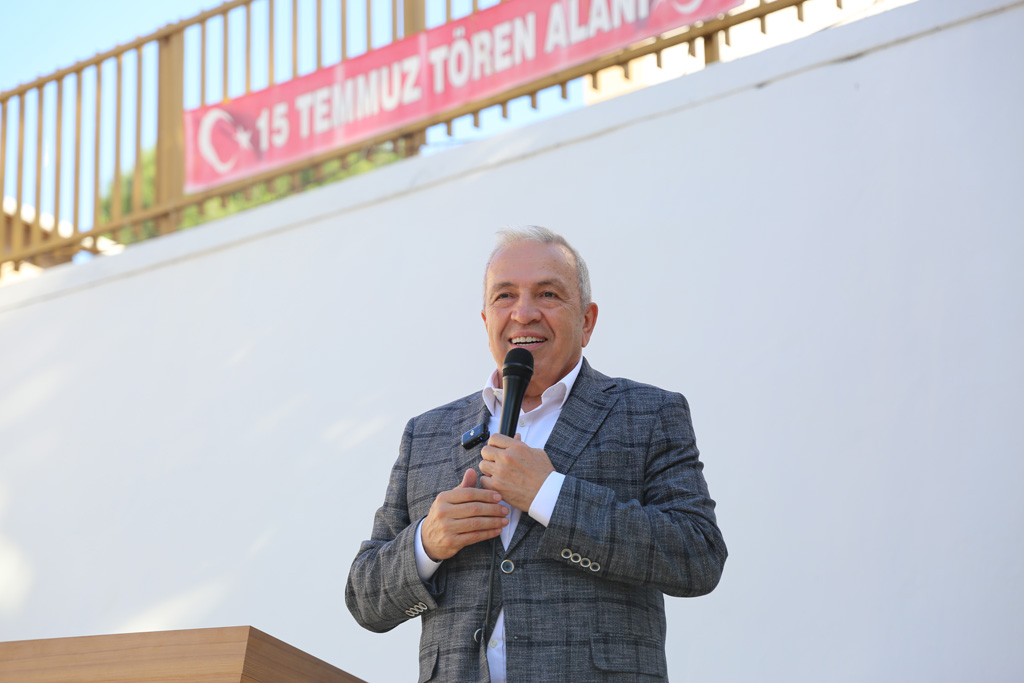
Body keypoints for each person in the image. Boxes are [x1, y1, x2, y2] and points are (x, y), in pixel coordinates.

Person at [346, 226, 727, 682]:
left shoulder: (648, 413)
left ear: (587, 321)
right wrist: (427, 542)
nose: (523, 313)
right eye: (505, 296)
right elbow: (364, 599)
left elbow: (698, 556)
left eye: (547, 294)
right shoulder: (426, 433)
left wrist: (550, 495)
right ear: (486, 320)